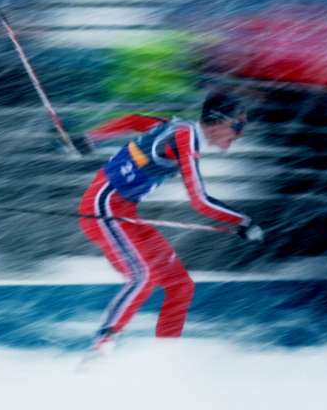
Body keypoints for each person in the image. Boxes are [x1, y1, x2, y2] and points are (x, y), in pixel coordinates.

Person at [73, 91, 264, 352]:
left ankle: (165, 355)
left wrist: (92, 137)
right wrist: (243, 222)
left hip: (125, 212)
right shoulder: (185, 136)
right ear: (219, 120)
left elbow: (133, 120)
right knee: (142, 276)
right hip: (102, 205)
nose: (240, 134)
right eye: (238, 125)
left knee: (180, 285)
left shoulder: (178, 127)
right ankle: (101, 346)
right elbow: (199, 200)